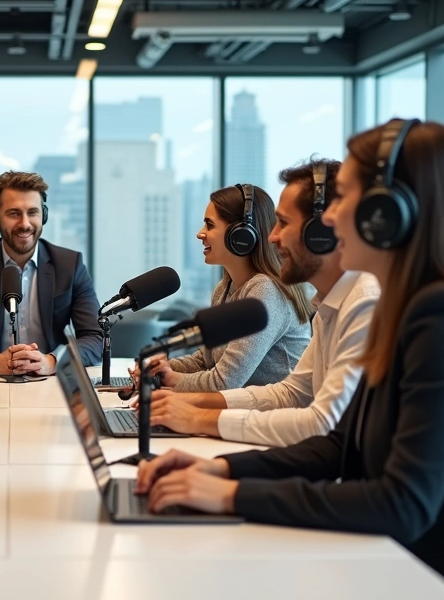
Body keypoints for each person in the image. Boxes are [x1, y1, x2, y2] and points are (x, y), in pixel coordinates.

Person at [135, 120, 444, 600]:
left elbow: (402, 502)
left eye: (345, 198)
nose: (332, 217)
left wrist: (232, 496)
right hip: (416, 560)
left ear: (387, 214)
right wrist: (223, 472)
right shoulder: (406, 306)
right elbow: (340, 445)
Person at [141, 160, 380, 447]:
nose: (272, 236)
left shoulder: (363, 304)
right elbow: (291, 394)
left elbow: (321, 421)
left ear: (321, 233)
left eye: (284, 223)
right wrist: (187, 402)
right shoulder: (327, 308)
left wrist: (196, 415)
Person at [138, 183, 311, 393]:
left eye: (209, 225)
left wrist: (172, 379)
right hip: (238, 408)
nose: (200, 234)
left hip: (270, 411)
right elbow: (205, 360)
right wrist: (160, 368)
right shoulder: (225, 288)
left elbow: (224, 383)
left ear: (241, 235)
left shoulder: (266, 292)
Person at [0, 170, 103, 376]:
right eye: (14, 213)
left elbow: (96, 338)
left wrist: (52, 361)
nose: (24, 224)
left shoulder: (70, 265)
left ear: (43, 215)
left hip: (50, 383)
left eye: (32, 212)